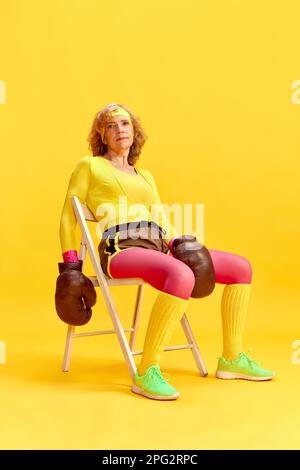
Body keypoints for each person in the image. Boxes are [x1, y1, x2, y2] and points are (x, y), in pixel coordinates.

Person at [58, 103, 275, 401]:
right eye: (111, 125)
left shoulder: (145, 176)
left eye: (124, 124)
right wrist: (71, 265)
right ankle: (147, 371)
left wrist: (179, 244)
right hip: (121, 248)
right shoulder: (90, 165)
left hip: (157, 245)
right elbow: (68, 214)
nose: (119, 129)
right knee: (180, 274)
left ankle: (231, 358)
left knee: (240, 267)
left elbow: (161, 218)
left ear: (135, 132)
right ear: (102, 136)